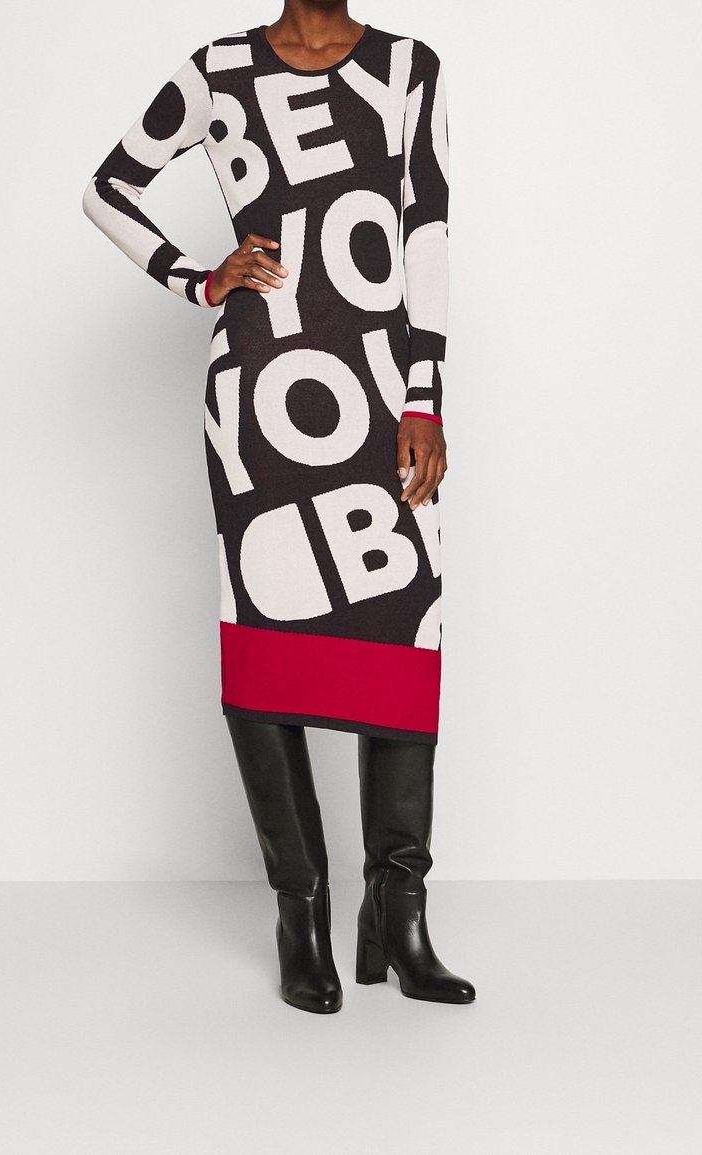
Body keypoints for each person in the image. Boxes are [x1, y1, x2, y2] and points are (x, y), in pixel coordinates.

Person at [82, 2, 475, 1013]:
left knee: (404, 624)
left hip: (379, 389)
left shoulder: (409, 68)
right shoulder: (216, 69)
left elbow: (426, 230)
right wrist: (196, 278)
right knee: (263, 632)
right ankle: (299, 908)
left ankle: (397, 909)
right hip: (260, 393)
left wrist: (424, 399)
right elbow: (108, 188)